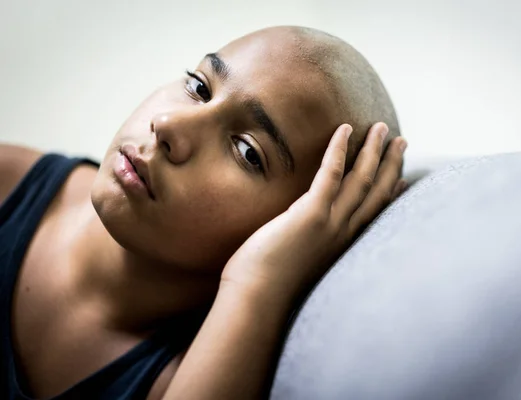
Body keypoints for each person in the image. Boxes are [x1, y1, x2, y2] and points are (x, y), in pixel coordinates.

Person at [0, 25, 407, 399]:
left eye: (248, 151)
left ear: (298, 224)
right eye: (199, 87)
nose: (168, 126)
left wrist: (258, 282)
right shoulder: (7, 182)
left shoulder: (190, 377)